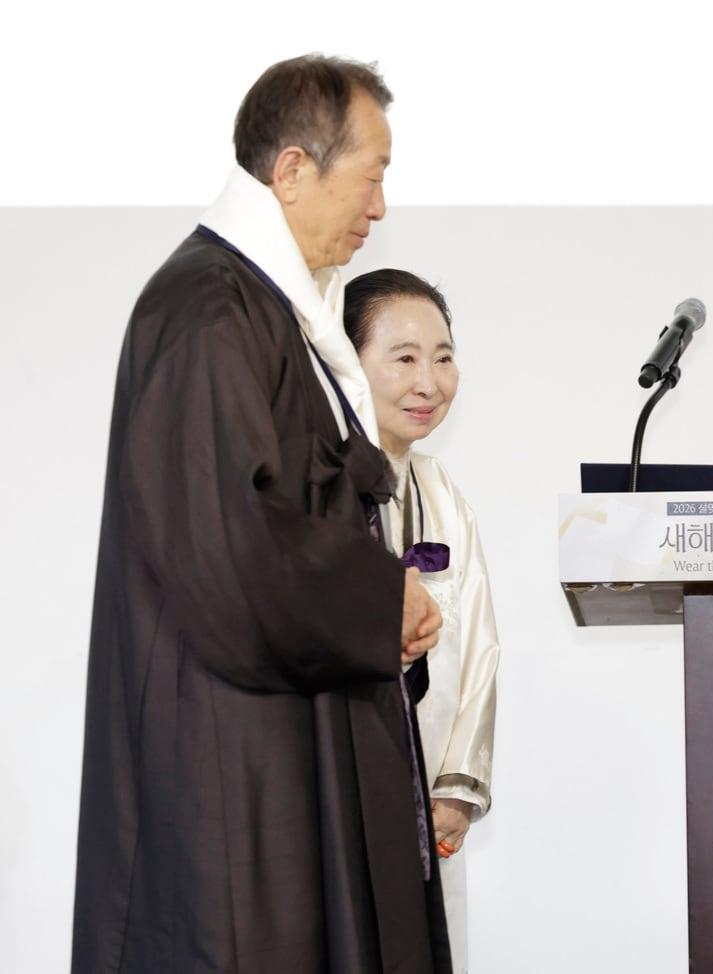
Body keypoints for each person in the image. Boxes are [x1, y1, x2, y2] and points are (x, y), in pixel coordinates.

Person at [72, 56, 453, 973]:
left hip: (283, 746)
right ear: (291, 171)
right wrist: (379, 603)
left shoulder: (267, 310)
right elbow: (231, 548)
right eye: (373, 176)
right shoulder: (209, 310)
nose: (381, 208)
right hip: (233, 771)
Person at [346, 268, 501, 973]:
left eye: (443, 357)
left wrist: (457, 787)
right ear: (348, 364)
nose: (429, 381)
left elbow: (480, 651)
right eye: (404, 357)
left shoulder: (442, 493)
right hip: (339, 784)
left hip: (427, 801)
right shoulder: (316, 491)